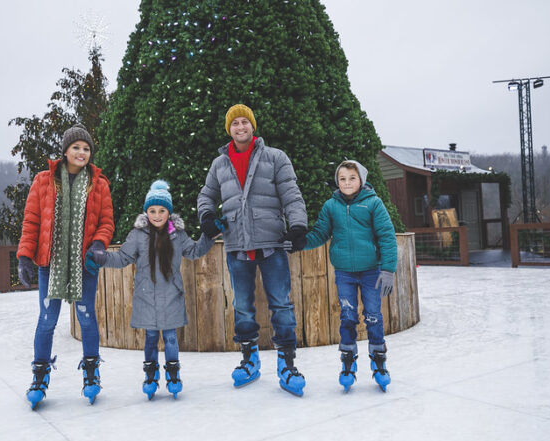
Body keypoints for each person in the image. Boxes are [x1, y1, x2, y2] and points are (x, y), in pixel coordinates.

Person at [197, 104, 308, 397]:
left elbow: (291, 195)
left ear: (253, 127)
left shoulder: (275, 157)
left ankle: (287, 363)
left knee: (281, 305)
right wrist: (206, 216)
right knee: (242, 306)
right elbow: (206, 195)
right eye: (235, 123)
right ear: (229, 129)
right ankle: (249, 359)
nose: (240, 127)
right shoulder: (219, 164)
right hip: (237, 244)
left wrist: (297, 226)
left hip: (271, 243)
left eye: (245, 122)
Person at [87, 180, 215, 400]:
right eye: (152, 210)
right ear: (146, 212)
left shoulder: (178, 235)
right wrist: (102, 258)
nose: (157, 215)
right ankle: (150, 374)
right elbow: (122, 258)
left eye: (162, 210)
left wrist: (209, 236)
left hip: (171, 296)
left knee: (172, 339)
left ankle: (173, 375)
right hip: (146, 297)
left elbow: (194, 251)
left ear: (169, 212)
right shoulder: (138, 235)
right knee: (150, 339)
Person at [16, 124, 114, 409]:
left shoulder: (99, 183)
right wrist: (24, 256)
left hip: (84, 265)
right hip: (51, 262)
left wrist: (98, 243)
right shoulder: (43, 181)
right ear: (65, 151)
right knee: (47, 320)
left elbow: (106, 222)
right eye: (76, 147)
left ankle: (92, 375)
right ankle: (39, 376)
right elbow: (32, 221)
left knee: (86, 317)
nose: (81, 152)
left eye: (86, 148)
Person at [304, 160, 397, 392]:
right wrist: (299, 242)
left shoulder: (373, 203)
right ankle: (348, 361)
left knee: (373, 315)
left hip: (371, 271)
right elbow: (320, 233)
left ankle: (379, 362)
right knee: (347, 315)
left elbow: (387, 235)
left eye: (352, 178)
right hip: (344, 272)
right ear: (337, 181)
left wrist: (388, 269)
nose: (347, 183)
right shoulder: (330, 206)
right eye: (342, 178)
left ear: (361, 180)